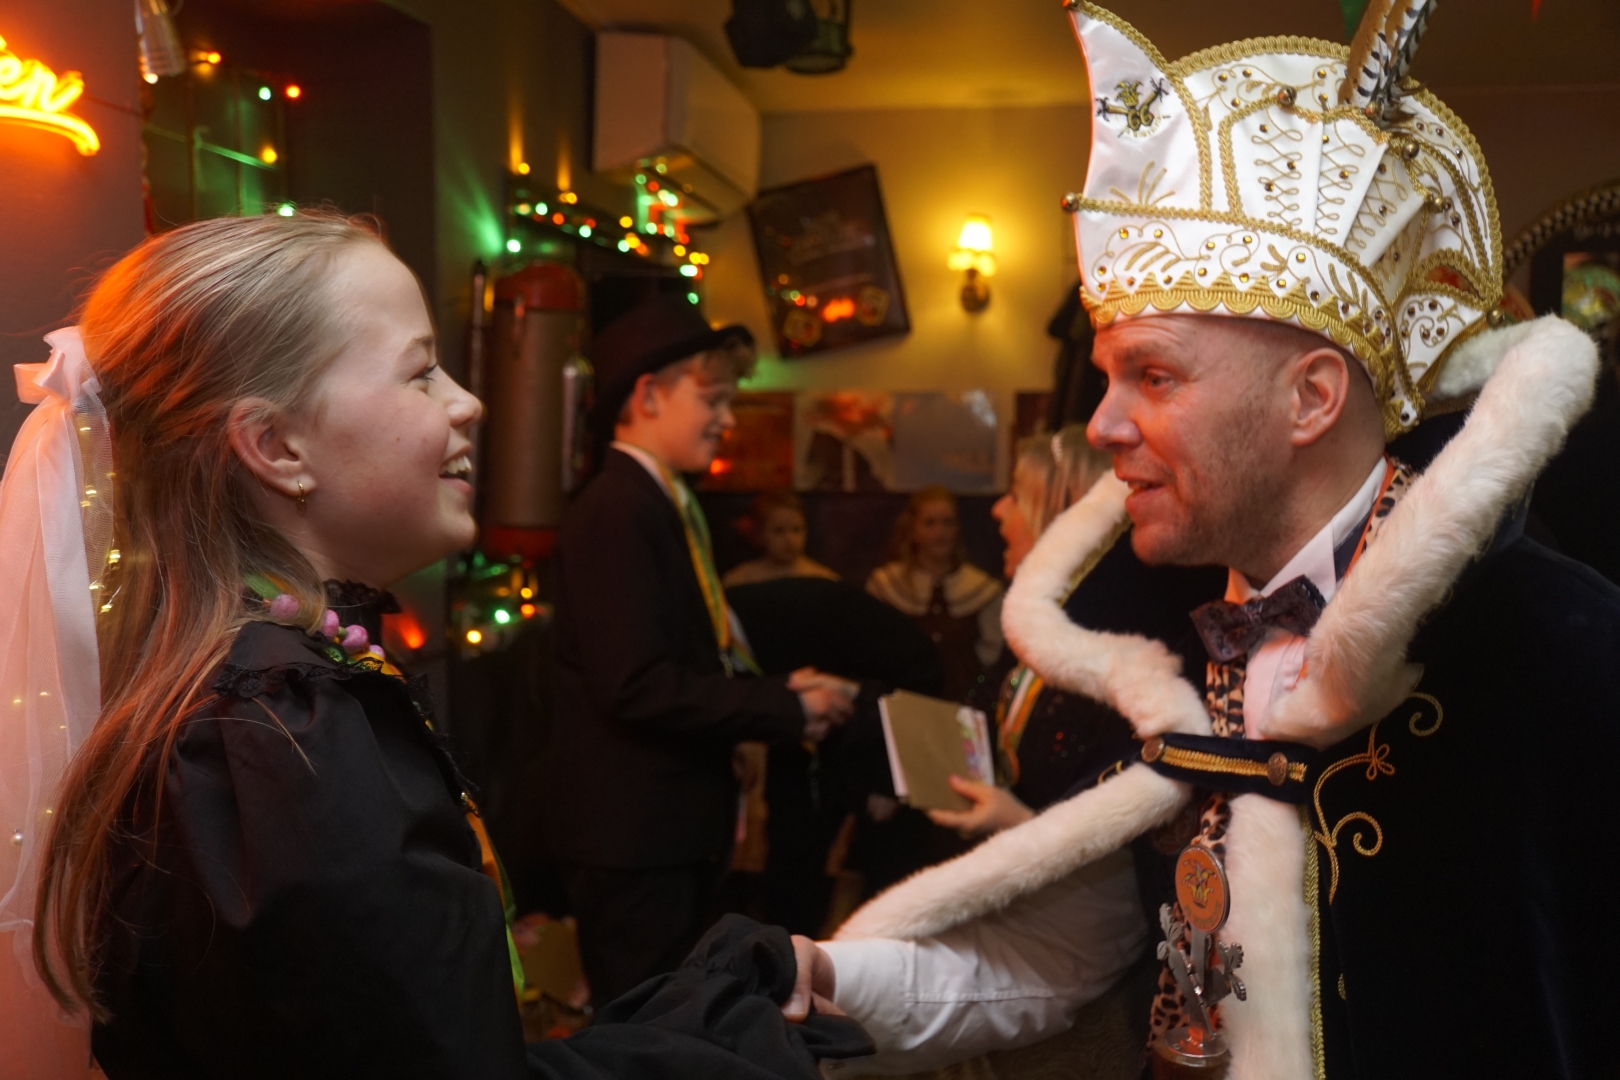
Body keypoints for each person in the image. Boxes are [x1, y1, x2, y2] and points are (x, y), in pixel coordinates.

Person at [786, 6, 1618, 1079]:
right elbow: (1065, 955)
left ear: (1311, 398)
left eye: (1155, 374)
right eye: (1109, 376)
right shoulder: (1152, 651)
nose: (1101, 425)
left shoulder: (1556, 649)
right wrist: (820, 981)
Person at [1, 214, 870, 1080]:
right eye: (421, 373)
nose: (468, 401)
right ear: (276, 446)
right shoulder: (281, 736)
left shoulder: (262, 688)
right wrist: (724, 1036)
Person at [543, 294, 856, 1009]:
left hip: (663, 833)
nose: (728, 419)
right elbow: (636, 683)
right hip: (634, 838)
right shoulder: (618, 509)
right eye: (712, 399)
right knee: (647, 1029)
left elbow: (687, 650)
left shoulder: (666, 501)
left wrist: (776, 688)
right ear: (648, 396)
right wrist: (781, 710)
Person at [928, 425, 1121, 838]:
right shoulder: (1040, 628)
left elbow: (1119, 847)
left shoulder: (1106, 652)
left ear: (1062, 518)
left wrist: (1019, 824)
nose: (998, 509)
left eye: (1017, 496)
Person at [865, 487, 1002, 701]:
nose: (940, 532)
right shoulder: (886, 585)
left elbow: (991, 651)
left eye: (948, 523)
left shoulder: (982, 589)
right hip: (905, 700)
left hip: (962, 701)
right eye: (930, 523)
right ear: (913, 529)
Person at [722, 490, 838, 588]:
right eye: (778, 530)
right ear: (759, 534)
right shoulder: (740, 580)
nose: (789, 539)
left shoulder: (825, 580)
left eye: (796, 529)